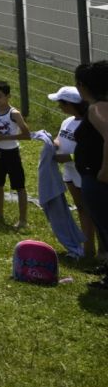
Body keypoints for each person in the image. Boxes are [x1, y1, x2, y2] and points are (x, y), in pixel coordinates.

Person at [51, 86, 98, 260]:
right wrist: (53, 143)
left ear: (70, 104)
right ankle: (87, 246)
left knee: (90, 211)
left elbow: (91, 150)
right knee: (81, 209)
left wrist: (69, 157)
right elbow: (60, 137)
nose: (59, 106)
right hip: (69, 173)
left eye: (60, 103)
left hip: (82, 172)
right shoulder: (67, 121)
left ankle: (90, 249)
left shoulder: (90, 123)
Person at [75, 62, 108, 289]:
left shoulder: (97, 108)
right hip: (93, 178)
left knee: (106, 225)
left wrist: (105, 171)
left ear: (83, 86)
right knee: (102, 226)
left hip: (98, 179)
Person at [0, 80, 30, 229]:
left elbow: (26, 135)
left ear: (8, 96)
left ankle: (22, 219)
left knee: (19, 186)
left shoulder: (14, 113)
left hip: (11, 153)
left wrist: (4, 138)